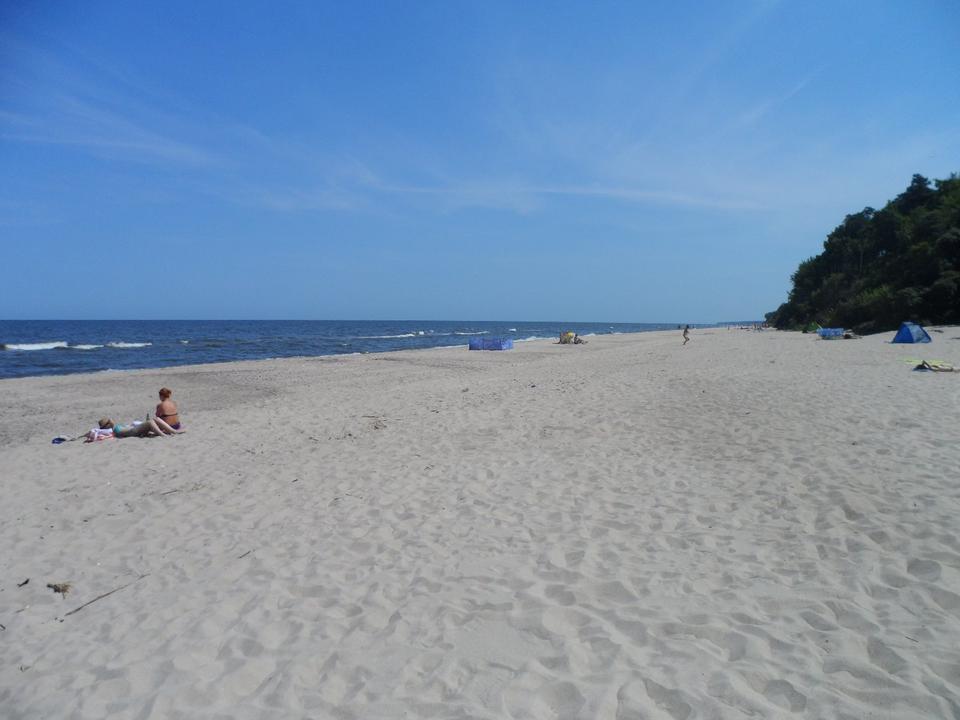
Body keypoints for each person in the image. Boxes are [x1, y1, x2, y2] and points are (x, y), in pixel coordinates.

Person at [98, 415, 183, 438]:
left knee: (156, 418)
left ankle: (173, 431)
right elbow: (111, 420)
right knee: (150, 422)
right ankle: (163, 434)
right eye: (108, 422)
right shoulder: (114, 429)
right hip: (133, 432)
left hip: (135, 430)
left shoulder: (115, 428)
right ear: (107, 425)